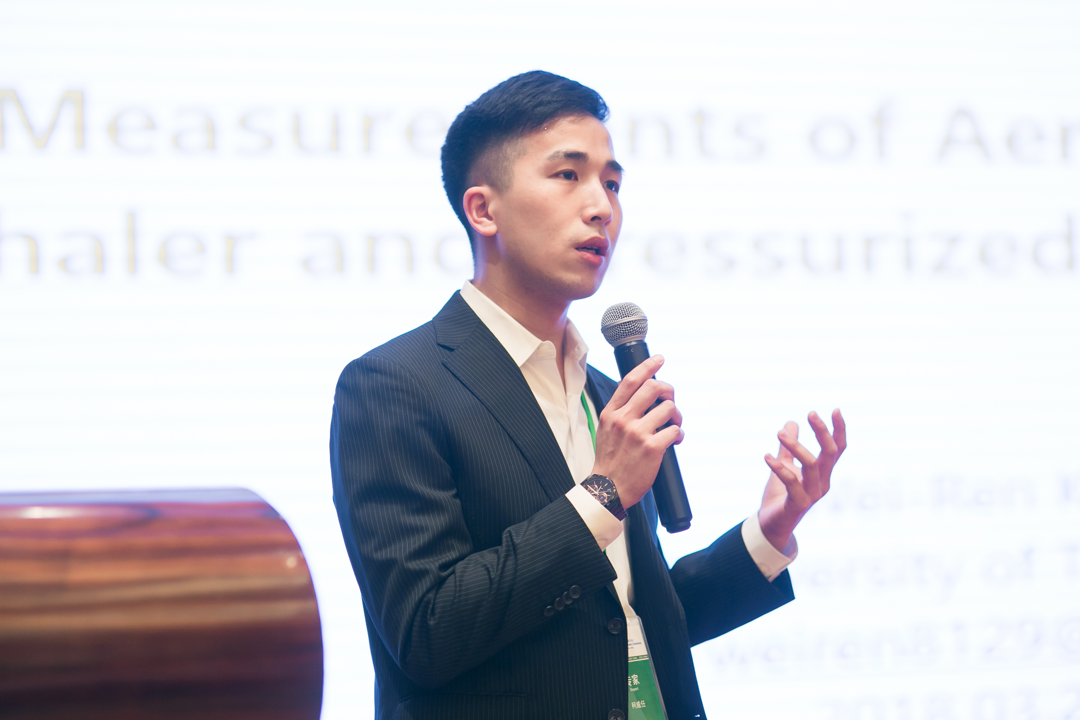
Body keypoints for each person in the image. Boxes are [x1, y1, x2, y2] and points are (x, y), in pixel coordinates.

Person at [330, 70, 846, 720]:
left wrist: (768, 533)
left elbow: (623, 621)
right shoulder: (393, 386)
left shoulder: (604, 392)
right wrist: (603, 493)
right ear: (483, 210)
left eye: (612, 183)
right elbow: (427, 631)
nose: (602, 206)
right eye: (568, 175)